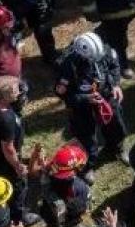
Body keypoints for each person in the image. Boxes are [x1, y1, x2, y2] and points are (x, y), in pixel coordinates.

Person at [55, 31, 130, 179]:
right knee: (85, 134)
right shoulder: (67, 64)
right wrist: (85, 99)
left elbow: (114, 66)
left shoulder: (103, 49)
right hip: (82, 102)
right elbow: (63, 94)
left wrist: (115, 84)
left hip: (106, 93)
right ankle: (88, 164)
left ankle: (117, 147)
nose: (96, 61)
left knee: (115, 122)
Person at [0, 75, 41, 226]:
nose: (19, 92)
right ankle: (19, 217)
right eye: (15, 90)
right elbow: (8, 148)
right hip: (5, 159)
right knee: (19, 185)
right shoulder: (5, 119)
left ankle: (1, 201)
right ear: (5, 96)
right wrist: (17, 166)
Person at [39, 143, 92, 227]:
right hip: (68, 218)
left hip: (49, 213)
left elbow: (45, 181)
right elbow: (84, 208)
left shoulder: (48, 180)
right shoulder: (80, 188)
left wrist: (45, 169)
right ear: (71, 172)